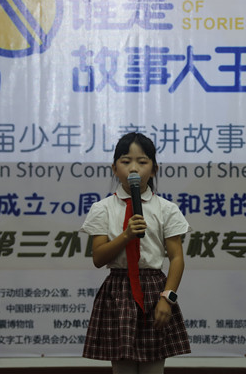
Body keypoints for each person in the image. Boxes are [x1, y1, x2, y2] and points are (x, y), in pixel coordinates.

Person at [81, 132, 191, 374]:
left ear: (154, 170)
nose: (133, 168)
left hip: (155, 290)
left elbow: (176, 258)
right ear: (114, 168)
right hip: (118, 290)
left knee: (154, 367)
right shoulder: (102, 208)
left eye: (142, 162)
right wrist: (126, 235)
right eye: (125, 161)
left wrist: (168, 298)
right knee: (123, 368)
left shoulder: (167, 209)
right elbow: (98, 258)